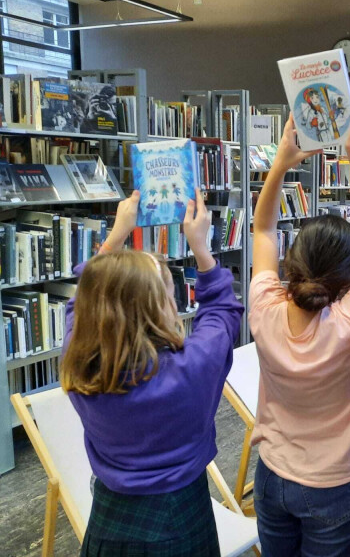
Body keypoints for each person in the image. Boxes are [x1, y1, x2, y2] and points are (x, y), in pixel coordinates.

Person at [249, 115, 350, 556]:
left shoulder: (263, 306)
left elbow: (262, 229)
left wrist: (280, 164)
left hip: (272, 475)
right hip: (335, 484)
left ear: (292, 258)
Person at [60, 189, 244, 557]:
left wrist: (115, 237)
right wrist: (202, 249)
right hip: (181, 517)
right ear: (159, 310)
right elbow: (224, 313)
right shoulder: (193, 367)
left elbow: (82, 300)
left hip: (110, 516)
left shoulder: (81, 366)